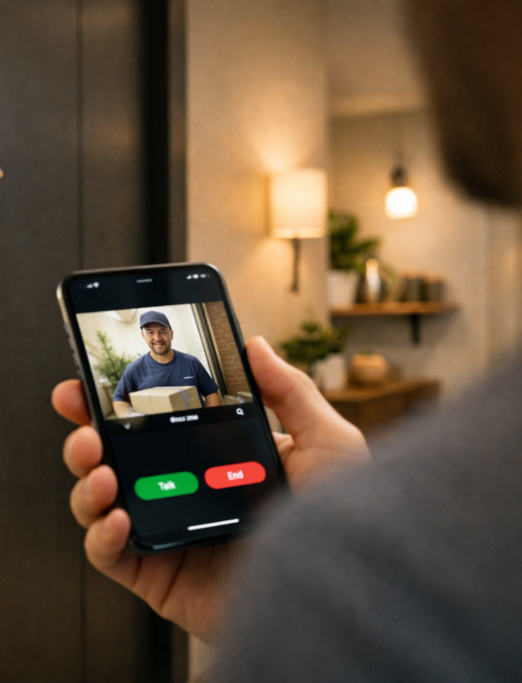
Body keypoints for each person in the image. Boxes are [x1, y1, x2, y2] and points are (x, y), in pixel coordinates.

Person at [53, 1, 522, 679]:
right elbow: (122, 408)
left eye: (160, 326)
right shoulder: (360, 568)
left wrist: (322, 588)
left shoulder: (370, 571)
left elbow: (213, 396)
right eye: (150, 327)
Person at [112, 310, 223, 417]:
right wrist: (130, 417)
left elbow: (211, 393)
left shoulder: (191, 362)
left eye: (163, 332)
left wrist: (210, 419)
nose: (157, 338)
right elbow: (120, 399)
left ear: (171, 334)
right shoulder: (134, 369)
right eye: (150, 332)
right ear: (143, 336)